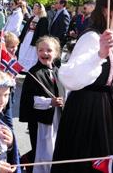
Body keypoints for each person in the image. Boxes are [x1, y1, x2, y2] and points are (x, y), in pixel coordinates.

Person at [51, 0, 113, 173]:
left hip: (104, 106)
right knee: (85, 159)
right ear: (107, 10)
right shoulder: (91, 37)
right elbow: (70, 76)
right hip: (87, 109)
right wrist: (99, 55)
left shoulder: (109, 36)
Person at [19, 36, 65, 173]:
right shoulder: (34, 74)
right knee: (43, 151)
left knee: (56, 147)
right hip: (41, 121)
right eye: (41, 50)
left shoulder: (58, 71)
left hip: (57, 117)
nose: (45, 53)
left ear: (56, 53)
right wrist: (49, 102)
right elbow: (29, 100)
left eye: (49, 50)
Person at [19, 3, 49, 71]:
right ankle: (21, 67)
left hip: (34, 39)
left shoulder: (43, 19)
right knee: (24, 51)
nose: (33, 9)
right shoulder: (32, 17)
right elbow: (26, 28)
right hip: (27, 38)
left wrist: (39, 42)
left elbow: (43, 32)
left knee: (31, 53)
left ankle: (29, 68)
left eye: (35, 8)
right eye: (34, 8)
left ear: (40, 10)